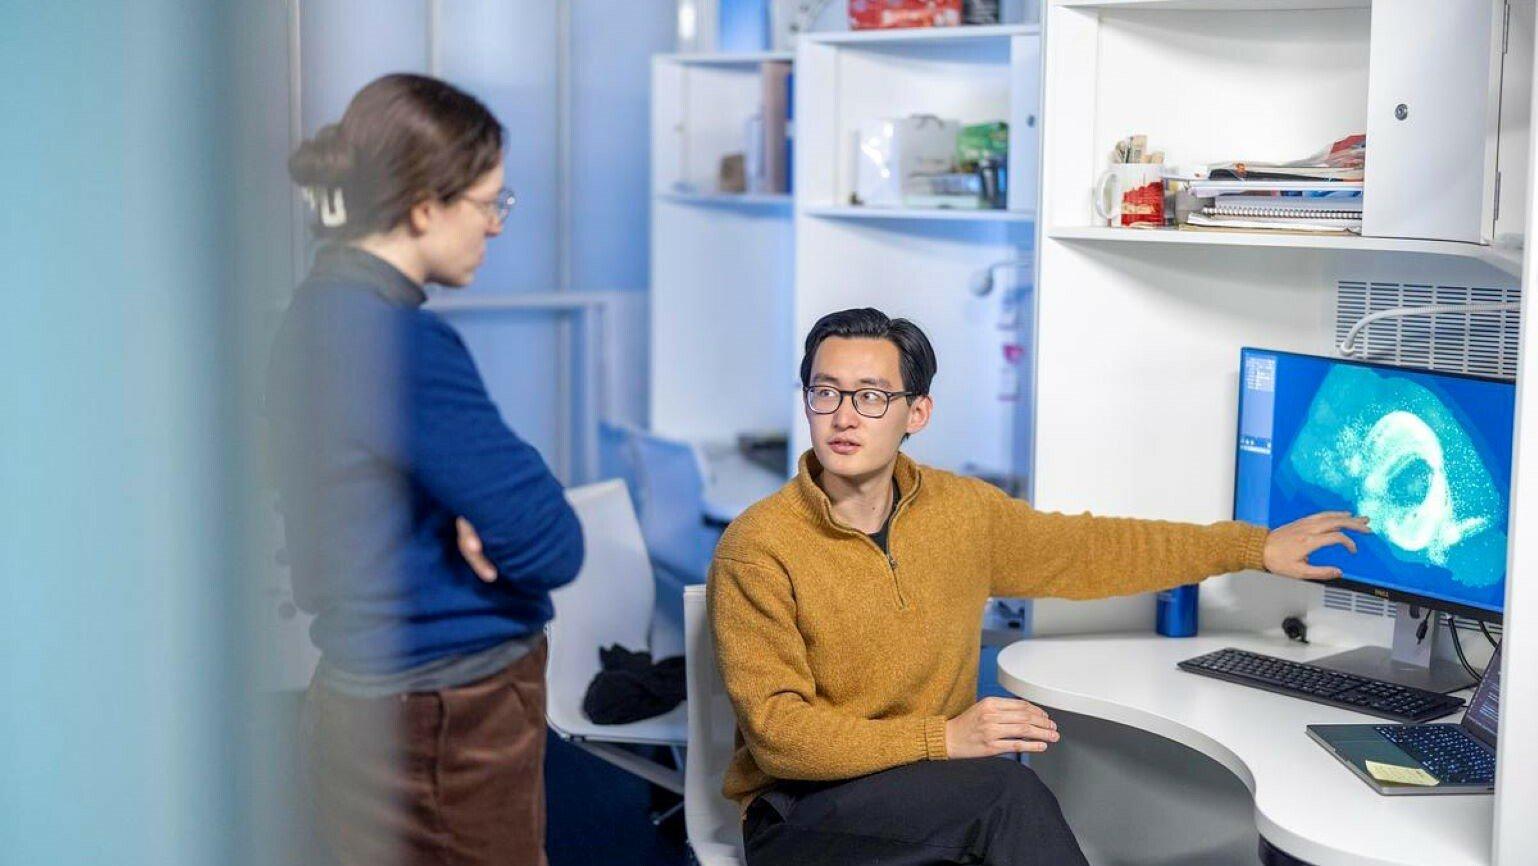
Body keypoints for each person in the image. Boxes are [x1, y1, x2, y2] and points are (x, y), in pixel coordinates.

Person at [708, 308, 1369, 866]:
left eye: (872, 396)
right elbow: (780, 734)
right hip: (802, 813)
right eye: (826, 393)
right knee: (1005, 795)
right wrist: (943, 739)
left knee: (998, 797)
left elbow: (1092, 550)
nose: (845, 417)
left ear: (917, 412)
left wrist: (1252, 547)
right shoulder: (760, 547)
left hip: (932, 793)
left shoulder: (962, 513)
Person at [267, 73, 583, 866]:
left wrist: (474, 506)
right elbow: (552, 543)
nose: (498, 228)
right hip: (449, 710)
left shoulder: (315, 313)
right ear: (422, 207)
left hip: (370, 694)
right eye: (488, 205)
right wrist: (480, 512)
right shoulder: (396, 341)